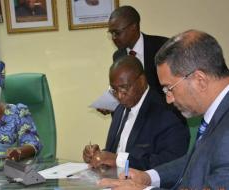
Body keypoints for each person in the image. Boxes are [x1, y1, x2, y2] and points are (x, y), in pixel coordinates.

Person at [98, 30, 229, 189]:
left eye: (169, 89)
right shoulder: (219, 112)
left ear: (200, 80)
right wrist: (148, 177)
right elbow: (195, 161)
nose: (168, 99)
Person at [83, 55, 190, 170]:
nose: (119, 96)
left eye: (124, 88)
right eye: (114, 90)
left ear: (142, 81)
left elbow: (171, 164)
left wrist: (118, 160)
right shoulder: (120, 109)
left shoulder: (168, 112)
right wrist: (99, 156)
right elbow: (118, 152)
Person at [98, 5, 168, 115]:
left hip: (164, 118)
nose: (113, 38)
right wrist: (111, 103)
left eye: (117, 33)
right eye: (111, 33)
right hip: (134, 121)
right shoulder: (118, 56)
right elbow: (120, 90)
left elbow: (173, 88)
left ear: (133, 27)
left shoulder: (162, 47)